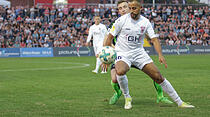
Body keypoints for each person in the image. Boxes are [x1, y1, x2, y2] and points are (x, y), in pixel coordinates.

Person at [104, 0, 194, 109]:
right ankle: (127, 98)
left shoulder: (145, 22)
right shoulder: (120, 21)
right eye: (130, 8)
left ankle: (180, 102)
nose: (131, 11)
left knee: (158, 77)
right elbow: (108, 38)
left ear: (140, 8)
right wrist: (106, 58)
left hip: (139, 53)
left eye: (134, 8)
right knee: (120, 71)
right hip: (123, 53)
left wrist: (160, 55)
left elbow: (154, 40)